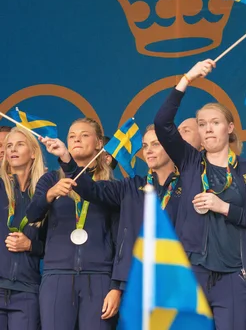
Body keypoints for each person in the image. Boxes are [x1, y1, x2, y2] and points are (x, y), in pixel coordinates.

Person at [154, 59, 246, 329]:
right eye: (202, 124)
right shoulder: (188, 161)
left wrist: (225, 208)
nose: (208, 128)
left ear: (229, 128)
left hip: (235, 275)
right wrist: (188, 78)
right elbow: (162, 123)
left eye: (215, 122)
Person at [42, 124, 181, 293]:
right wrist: (66, 158)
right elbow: (92, 190)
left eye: (156, 144)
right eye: (145, 146)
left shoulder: (188, 187)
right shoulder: (130, 187)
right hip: (137, 280)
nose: (148, 150)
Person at [28, 118, 120, 330]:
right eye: (72, 136)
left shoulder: (112, 187)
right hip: (57, 276)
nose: (77, 139)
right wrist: (49, 195)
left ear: (98, 143)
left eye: (84, 135)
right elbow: (32, 215)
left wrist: (116, 287)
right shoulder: (50, 180)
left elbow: (120, 241)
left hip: (98, 278)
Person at [0, 128, 46, 330]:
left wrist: (30, 245)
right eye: (9, 146)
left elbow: (55, 247)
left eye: (20, 144)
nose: (12, 150)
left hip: (27, 292)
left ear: (33, 152)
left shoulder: (45, 194)